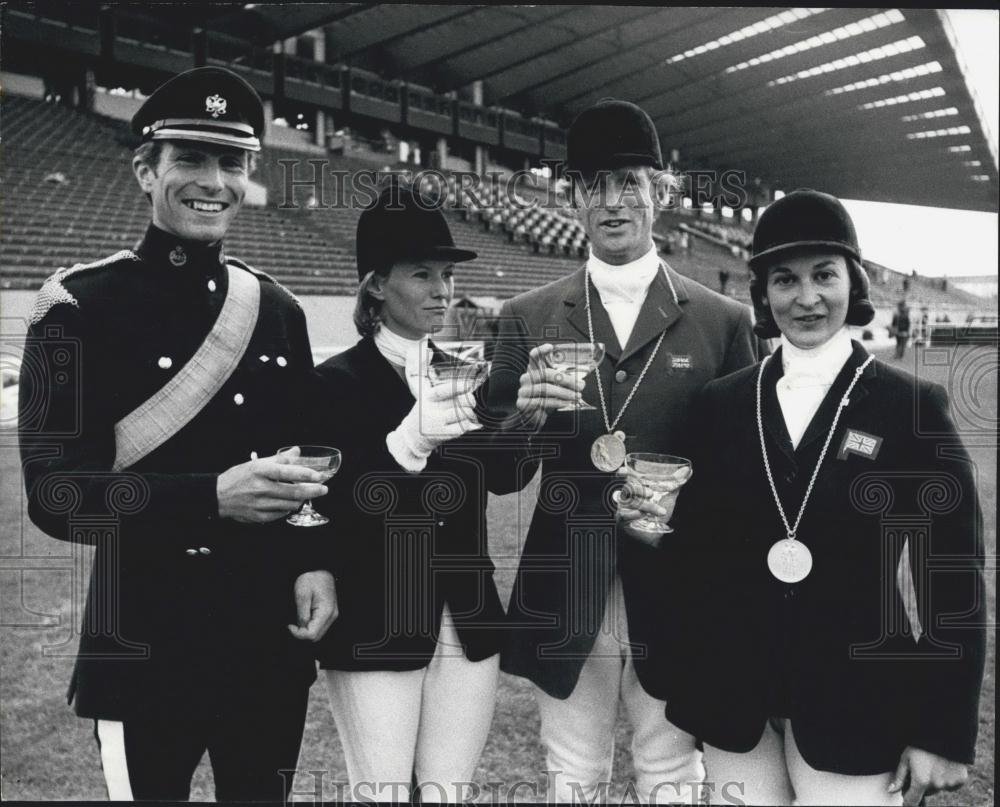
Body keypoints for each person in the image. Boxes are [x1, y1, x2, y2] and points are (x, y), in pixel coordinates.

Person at [17, 67, 338, 802]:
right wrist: (209, 498)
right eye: (190, 158)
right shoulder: (74, 307)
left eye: (232, 162)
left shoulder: (278, 309)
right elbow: (55, 494)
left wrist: (314, 560)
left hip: (264, 648)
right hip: (145, 647)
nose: (213, 181)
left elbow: (309, 465)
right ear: (144, 168)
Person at [654, 190, 985, 805]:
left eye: (823, 276)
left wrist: (943, 731)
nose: (806, 298)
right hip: (737, 707)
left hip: (858, 704)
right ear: (763, 293)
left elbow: (950, 581)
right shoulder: (722, 403)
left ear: (852, 283)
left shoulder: (911, 408)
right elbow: (696, 557)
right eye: (785, 280)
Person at [483, 98, 763, 803]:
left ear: (661, 193)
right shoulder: (526, 315)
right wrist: (524, 418)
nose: (612, 202)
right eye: (594, 184)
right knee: (570, 773)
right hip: (564, 582)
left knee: (671, 771)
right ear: (571, 195)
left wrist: (686, 501)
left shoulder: (725, 320)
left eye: (630, 182)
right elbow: (495, 472)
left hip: (679, 581)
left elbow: (750, 474)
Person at [313, 184, 506, 802]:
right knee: (383, 794)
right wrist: (407, 446)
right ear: (375, 284)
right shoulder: (332, 384)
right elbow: (334, 511)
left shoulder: (465, 373)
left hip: (468, 618)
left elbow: (500, 480)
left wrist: (527, 414)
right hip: (376, 615)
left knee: (449, 794)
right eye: (422, 273)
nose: (442, 290)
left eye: (446, 274)